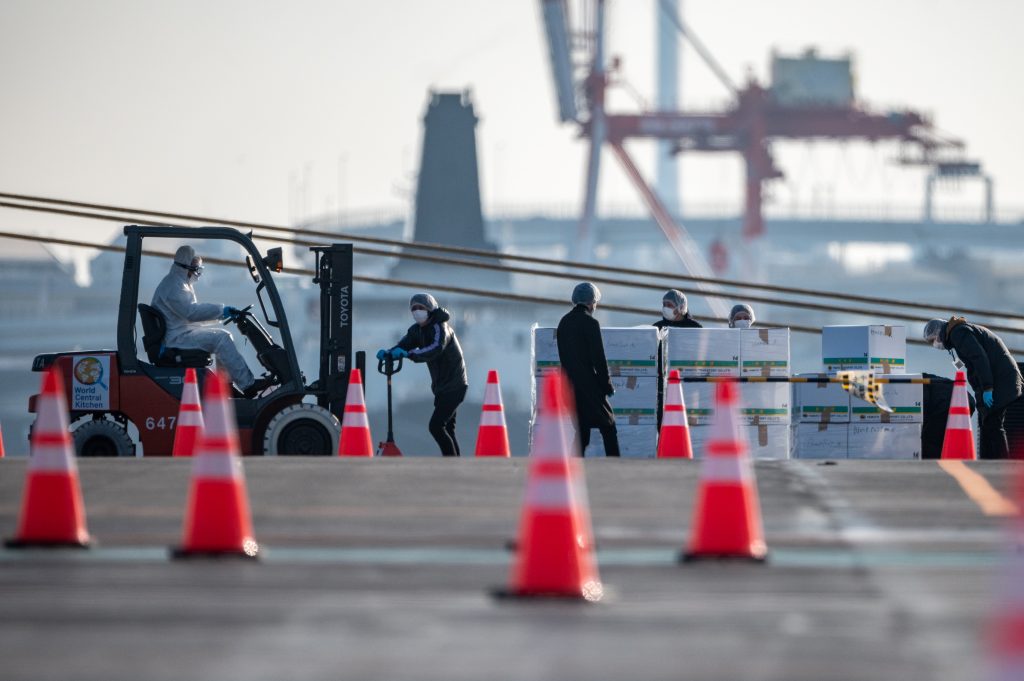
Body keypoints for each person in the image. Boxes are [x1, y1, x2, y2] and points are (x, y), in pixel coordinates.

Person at [151, 245, 270, 398]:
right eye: (196, 269)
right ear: (186, 267)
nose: (198, 275)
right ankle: (248, 385)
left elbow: (190, 317)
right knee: (221, 339)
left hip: (180, 333)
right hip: (176, 339)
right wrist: (222, 311)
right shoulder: (174, 286)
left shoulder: (177, 283)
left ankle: (226, 386)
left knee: (222, 337)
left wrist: (222, 315)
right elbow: (191, 313)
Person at [378, 293, 468, 457]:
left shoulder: (440, 327)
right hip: (441, 387)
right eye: (414, 309)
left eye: (421, 308)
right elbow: (403, 345)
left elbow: (435, 348)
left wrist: (409, 354)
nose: (417, 311)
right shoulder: (417, 330)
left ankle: (450, 462)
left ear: (430, 309)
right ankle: (455, 463)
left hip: (455, 385)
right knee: (448, 428)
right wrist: (389, 353)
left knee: (436, 426)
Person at [923, 317, 1023, 459]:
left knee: (993, 423)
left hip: (1000, 381)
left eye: (934, 339)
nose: (935, 343)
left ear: (940, 332)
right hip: (1000, 379)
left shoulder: (959, 333)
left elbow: (979, 359)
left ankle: (1003, 462)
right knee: (987, 422)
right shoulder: (959, 333)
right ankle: (988, 462)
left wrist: (988, 388)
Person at [557, 282, 620, 457]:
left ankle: (572, 467)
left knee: (582, 431)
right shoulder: (590, 323)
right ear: (592, 302)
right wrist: (607, 386)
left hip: (568, 386)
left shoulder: (563, 323)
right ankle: (617, 465)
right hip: (590, 387)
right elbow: (599, 360)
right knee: (608, 426)